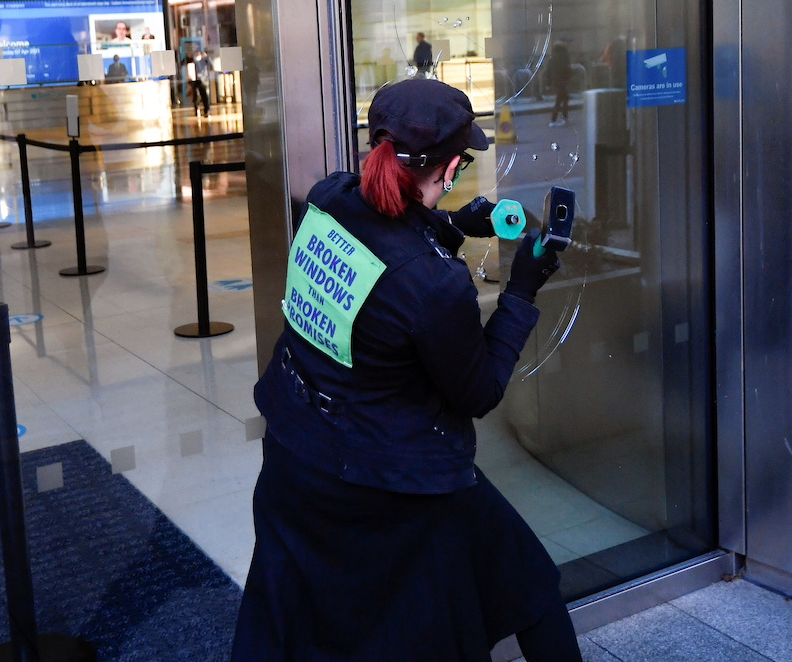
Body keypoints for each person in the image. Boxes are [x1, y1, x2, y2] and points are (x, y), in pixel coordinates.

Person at [231, 77, 582, 662]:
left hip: (296, 458)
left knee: (302, 620)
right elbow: (479, 391)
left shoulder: (328, 197)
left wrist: (456, 223)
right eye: (462, 162)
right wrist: (522, 289)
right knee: (531, 585)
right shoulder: (433, 287)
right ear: (447, 170)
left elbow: (379, 240)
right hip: (388, 479)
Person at [547, 40, 571, 126]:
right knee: (561, 100)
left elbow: (548, 71)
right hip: (563, 80)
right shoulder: (565, 56)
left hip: (556, 81)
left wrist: (548, 83)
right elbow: (567, 69)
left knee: (563, 99)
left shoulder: (552, 58)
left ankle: (562, 118)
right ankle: (554, 120)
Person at [182, 48, 212, 116]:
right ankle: (196, 110)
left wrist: (207, 57)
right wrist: (188, 56)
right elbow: (183, 62)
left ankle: (206, 110)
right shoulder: (193, 60)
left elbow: (211, 66)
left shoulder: (205, 60)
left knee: (205, 96)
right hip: (194, 81)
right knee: (196, 96)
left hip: (203, 80)